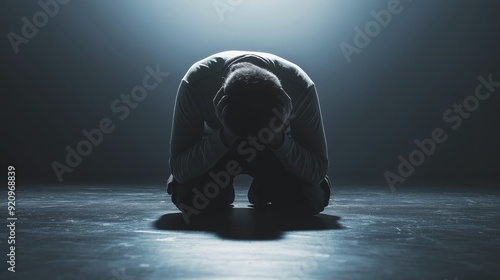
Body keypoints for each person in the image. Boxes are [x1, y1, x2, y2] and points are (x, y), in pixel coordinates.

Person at [167, 51, 331, 223]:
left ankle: (265, 185)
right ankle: (258, 188)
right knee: (190, 199)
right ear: (219, 102)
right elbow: (179, 168)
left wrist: (275, 137)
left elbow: (318, 170)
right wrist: (227, 135)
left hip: (273, 154)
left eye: (258, 134)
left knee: (310, 199)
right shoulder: (196, 83)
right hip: (221, 152)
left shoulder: (299, 87)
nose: (248, 141)